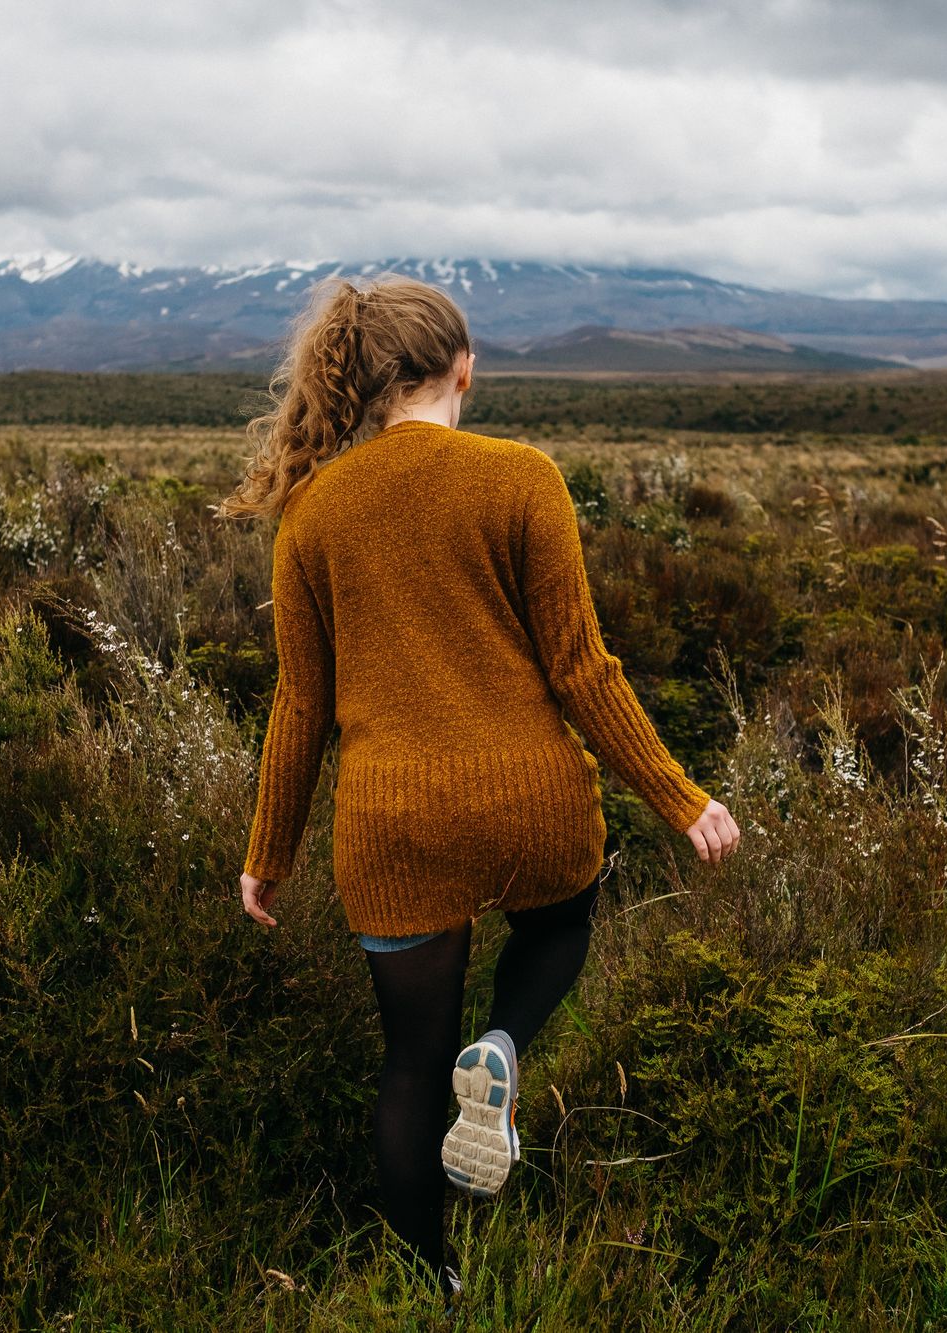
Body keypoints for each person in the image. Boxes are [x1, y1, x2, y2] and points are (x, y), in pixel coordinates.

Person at [214, 271, 741, 1303]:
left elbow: (298, 709)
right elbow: (582, 669)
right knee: (562, 918)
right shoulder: (522, 477)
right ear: (463, 370)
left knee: (409, 1067)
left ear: (360, 385)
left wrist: (264, 855)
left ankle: (428, 1284)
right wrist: (682, 798)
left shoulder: (311, 515)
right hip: (531, 802)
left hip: (393, 826)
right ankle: (500, 1046)